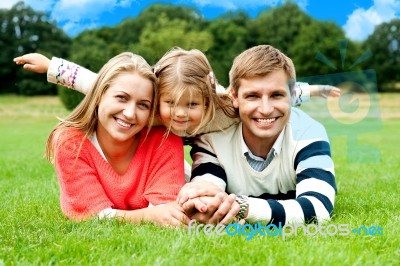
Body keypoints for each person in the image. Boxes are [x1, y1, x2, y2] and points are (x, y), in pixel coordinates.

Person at [14, 48, 340, 179]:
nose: (181, 115)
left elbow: (267, 96)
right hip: (167, 156)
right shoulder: (151, 111)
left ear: (207, 100)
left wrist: (317, 91)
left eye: (192, 105)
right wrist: (51, 65)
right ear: (159, 100)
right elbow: (97, 83)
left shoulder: (225, 105)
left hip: (214, 152)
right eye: (172, 104)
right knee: (178, 176)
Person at [177, 45, 337, 226]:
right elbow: (206, 194)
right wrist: (206, 203)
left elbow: (318, 208)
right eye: (252, 96)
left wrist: (243, 207)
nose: (266, 109)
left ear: (292, 95)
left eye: (277, 95)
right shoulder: (213, 138)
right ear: (234, 97)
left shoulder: (309, 133)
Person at [35, 52, 190, 227]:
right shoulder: (71, 143)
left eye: (143, 105)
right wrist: (147, 215)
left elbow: (165, 211)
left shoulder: (164, 139)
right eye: (121, 98)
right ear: (99, 95)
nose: (130, 113)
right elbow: (92, 215)